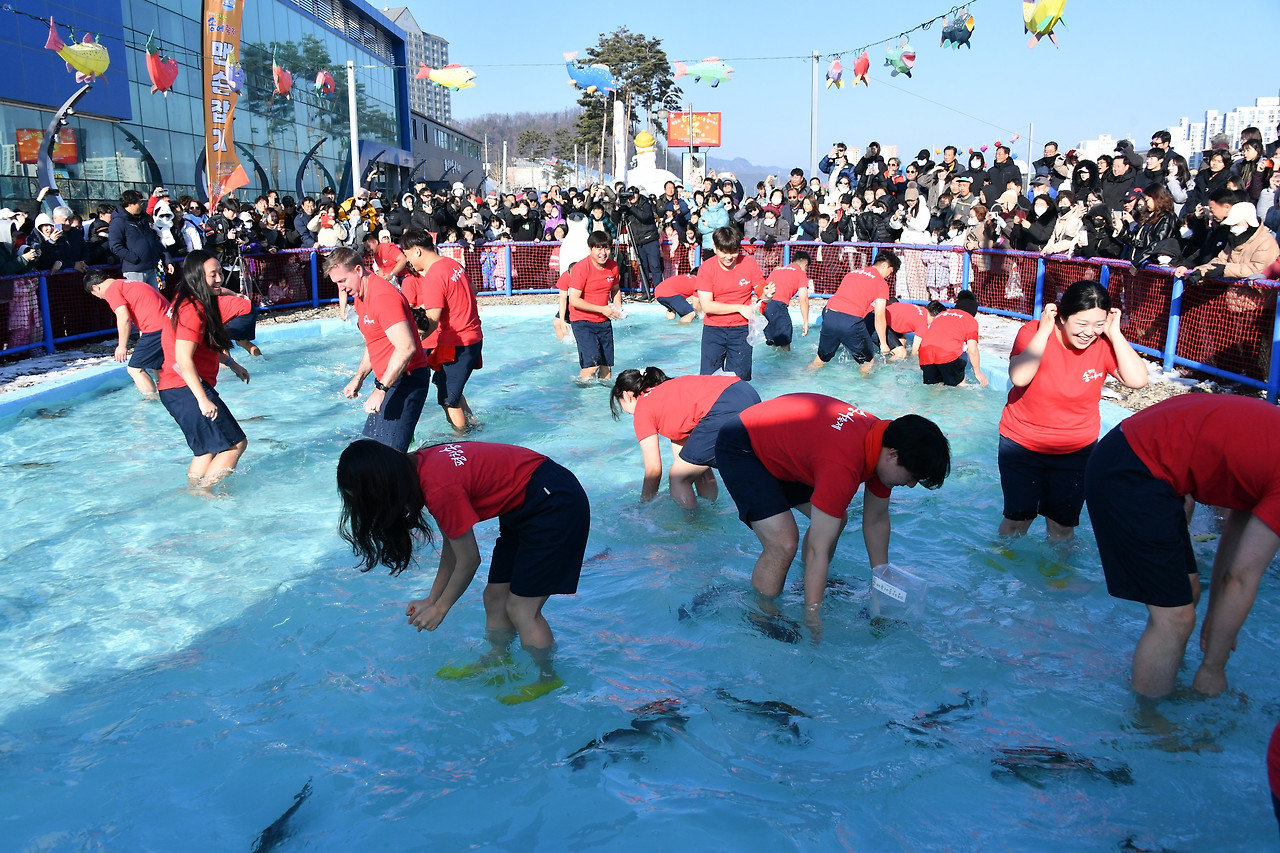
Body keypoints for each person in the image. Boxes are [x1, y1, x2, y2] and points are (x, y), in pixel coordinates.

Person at [336, 438, 589, 705]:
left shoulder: (438, 486)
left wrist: (441, 608)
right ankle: (496, 660)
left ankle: (548, 678)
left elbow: (469, 560)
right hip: (526, 502)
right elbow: (453, 545)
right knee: (494, 597)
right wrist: (431, 600)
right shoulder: (419, 468)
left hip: (554, 502)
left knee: (522, 609)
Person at [1084, 395, 1280, 699]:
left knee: (1188, 592)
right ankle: (1149, 726)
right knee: (1175, 618)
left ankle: (1159, 679)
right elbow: (1240, 578)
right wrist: (1213, 669)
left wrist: (1217, 616)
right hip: (1132, 469)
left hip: (1133, 453)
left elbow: (1235, 539)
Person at [715, 393, 950, 635]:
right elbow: (819, 549)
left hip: (783, 447)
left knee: (836, 521)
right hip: (743, 445)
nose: (911, 485)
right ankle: (761, 614)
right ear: (893, 456)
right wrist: (813, 617)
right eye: (911, 477)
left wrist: (882, 594)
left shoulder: (885, 442)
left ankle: (804, 584)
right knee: (783, 543)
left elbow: (876, 521)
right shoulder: (845, 462)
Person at [995, 281, 1149, 542]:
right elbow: (1020, 377)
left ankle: (1057, 578)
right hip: (1021, 444)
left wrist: (1114, 334)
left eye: (1098, 324)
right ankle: (1000, 571)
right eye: (1082, 324)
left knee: (1062, 525)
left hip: (1076, 451)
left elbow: (1137, 380)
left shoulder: (1103, 342)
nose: (1089, 332)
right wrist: (1044, 331)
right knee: (1018, 519)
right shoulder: (1033, 332)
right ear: (1063, 317)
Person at [155, 251, 250, 487]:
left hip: (173, 389)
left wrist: (232, 363)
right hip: (186, 388)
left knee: (205, 452)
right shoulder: (192, 310)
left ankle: (193, 495)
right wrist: (202, 399)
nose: (220, 279)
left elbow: (202, 347)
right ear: (197, 277)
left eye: (220, 272)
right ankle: (207, 494)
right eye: (213, 275)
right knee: (235, 444)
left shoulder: (188, 300)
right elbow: (183, 358)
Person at [324, 246, 431, 452]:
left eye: (342, 281)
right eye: (337, 283)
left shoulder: (382, 296)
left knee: (390, 457)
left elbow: (406, 347)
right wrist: (358, 378)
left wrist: (380, 390)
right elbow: (374, 342)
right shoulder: (360, 297)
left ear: (357, 270)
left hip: (406, 380)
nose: (341, 288)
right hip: (388, 380)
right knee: (372, 451)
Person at [610, 367, 761, 508]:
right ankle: (711, 510)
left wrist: (643, 506)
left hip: (724, 407)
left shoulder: (643, 409)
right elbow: (692, 460)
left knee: (678, 477)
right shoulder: (665, 392)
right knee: (692, 467)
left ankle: (692, 528)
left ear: (627, 395)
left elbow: (653, 470)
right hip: (745, 392)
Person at [399, 230, 484, 433]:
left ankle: (462, 440)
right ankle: (475, 425)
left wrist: (411, 344)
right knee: (445, 385)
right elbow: (473, 289)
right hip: (472, 337)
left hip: (457, 343)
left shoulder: (433, 276)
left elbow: (432, 321)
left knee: (448, 399)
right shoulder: (452, 264)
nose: (406, 261)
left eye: (407, 255)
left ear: (417, 251)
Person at [808, 250, 901, 376]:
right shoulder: (881, 283)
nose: (888, 276)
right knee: (868, 363)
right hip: (851, 321)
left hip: (830, 315)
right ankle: (864, 392)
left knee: (820, 359)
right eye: (890, 272)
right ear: (885, 265)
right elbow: (879, 316)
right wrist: (884, 344)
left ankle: (802, 379)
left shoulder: (853, 273)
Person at [83, 271, 171, 397]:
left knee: (134, 369)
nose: (100, 298)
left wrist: (121, 346)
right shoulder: (126, 283)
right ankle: (165, 393)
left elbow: (123, 317)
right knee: (156, 365)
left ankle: (152, 399)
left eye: (96, 295)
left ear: (96, 287)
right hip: (169, 323)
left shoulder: (112, 290)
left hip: (156, 328)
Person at [696, 226, 767, 380]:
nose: (729, 257)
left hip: (741, 330)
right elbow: (707, 306)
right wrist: (739, 308)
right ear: (715, 248)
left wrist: (767, 295)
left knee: (738, 381)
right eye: (724, 252)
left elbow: (762, 293)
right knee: (709, 380)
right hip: (714, 330)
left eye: (734, 251)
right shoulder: (706, 269)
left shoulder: (749, 264)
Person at [561, 230, 621, 383]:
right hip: (582, 321)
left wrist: (618, 307)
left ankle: (603, 401)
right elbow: (573, 300)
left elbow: (615, 289)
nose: (603, 253)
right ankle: (581, 394)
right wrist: (603, 309)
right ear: (590, 249)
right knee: (592, 365)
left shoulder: (613, 266)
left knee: (606, 367)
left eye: (606, 248)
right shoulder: (581, 268)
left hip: (604, 319)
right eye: (598, 248)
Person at [917, 292, 988, 387]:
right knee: (960, 385)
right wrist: (978, 372)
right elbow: (972, 349)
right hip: (947, 354)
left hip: (925, 353)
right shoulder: (970, 320)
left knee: (934, 388)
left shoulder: (941, 314)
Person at [108, 190, 164, 287]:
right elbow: (115, 246)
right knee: (139, 300)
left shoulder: (142, 220)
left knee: (153, 299)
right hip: (134, 271)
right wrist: (134, 258)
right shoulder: (118, 222)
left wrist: (165, 258)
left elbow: (153, 240)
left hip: (151, 267)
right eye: (139, 202)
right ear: (130, 204)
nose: (141, 205)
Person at [759, 251, 811, 351]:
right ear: (805, 264)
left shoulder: (777, 270)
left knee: (774, 343)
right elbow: (803, 299)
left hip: (763, 305)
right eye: (806, 268)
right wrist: (805, 322)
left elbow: (764, 289)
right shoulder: (800, 274)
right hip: (777, 305)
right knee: (785, 343)